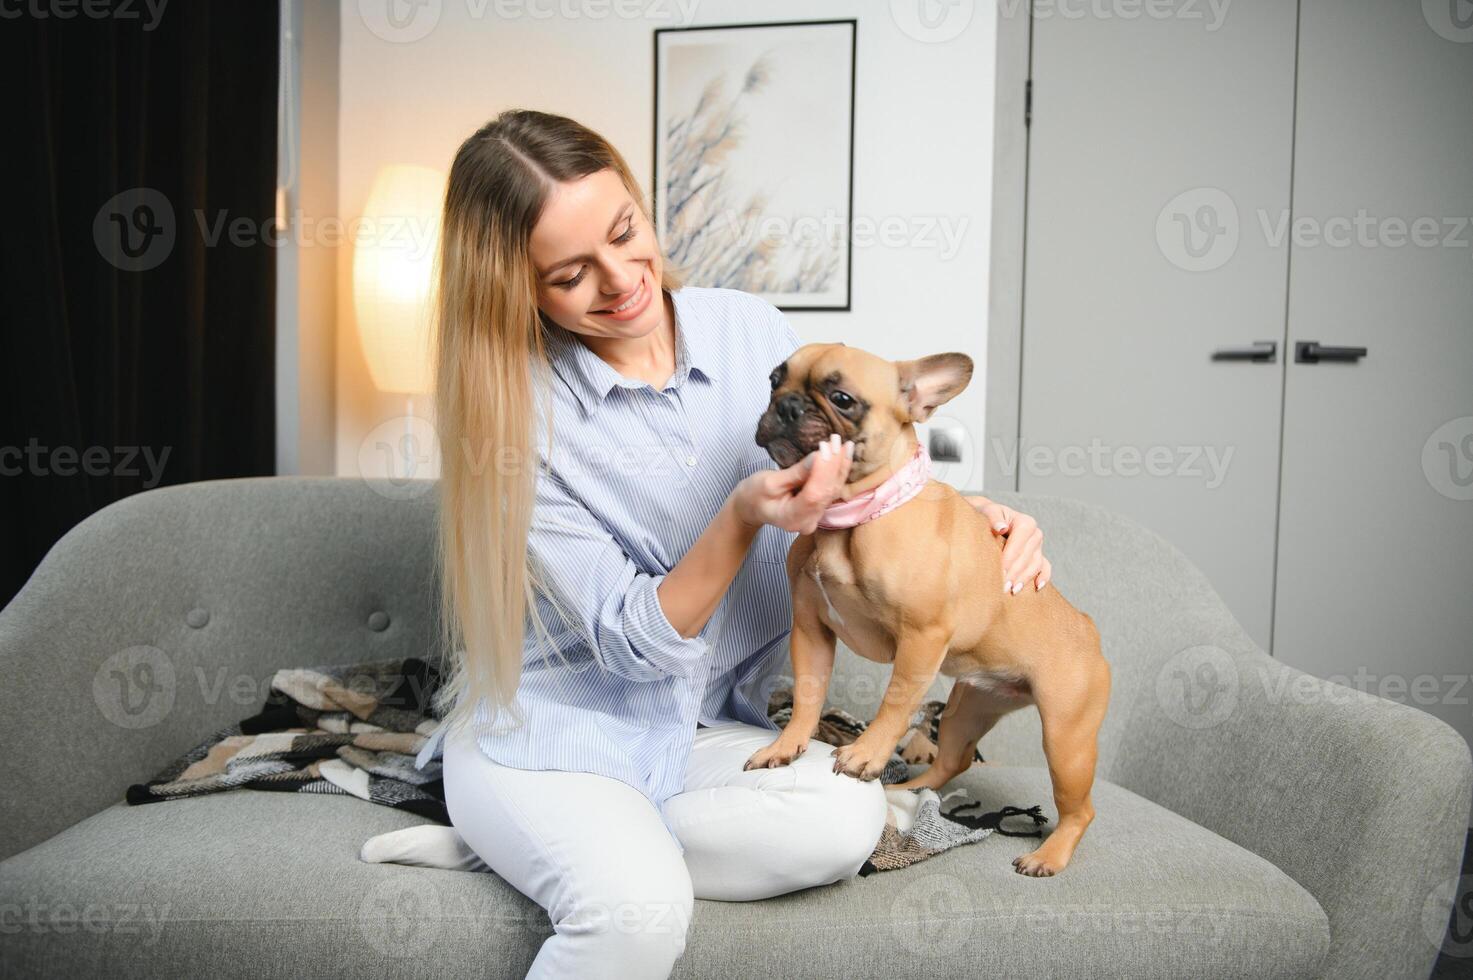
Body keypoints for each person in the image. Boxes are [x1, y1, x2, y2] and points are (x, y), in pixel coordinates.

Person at [418, 109, 1053, 979]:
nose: (621, 281)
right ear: (515, 288)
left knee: (843, 821)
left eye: (623, 233)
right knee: (633, 916)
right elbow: (630, 643)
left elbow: (850, 463)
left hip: (704, 732)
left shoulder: (745, 326)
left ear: (640, 204)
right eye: (570, 274)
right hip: (556, 732)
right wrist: (741, 516)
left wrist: (965, 518)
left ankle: (561, 854)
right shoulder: (510, 418)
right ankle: (564, 844)